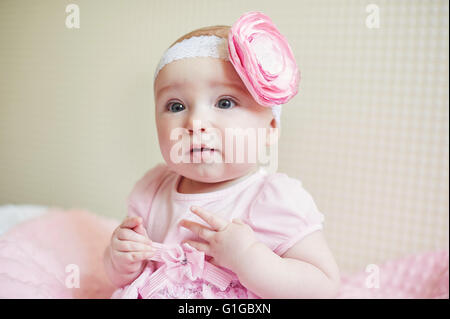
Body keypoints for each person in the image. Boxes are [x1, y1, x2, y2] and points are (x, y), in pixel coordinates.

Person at [104, 11, 340, 299]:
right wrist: (121, 259)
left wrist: (249, 258)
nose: (195, 123)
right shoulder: (154, 190)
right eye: (176, 106)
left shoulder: (273, 199)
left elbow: (324, 287)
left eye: (225, 102)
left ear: (270, 128)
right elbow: (120, 276)